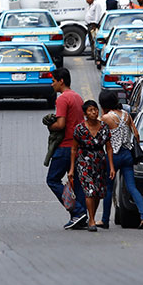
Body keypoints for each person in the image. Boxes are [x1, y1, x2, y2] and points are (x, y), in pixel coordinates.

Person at [99, 90, 143, 228]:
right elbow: (136, 135)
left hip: (113, 156)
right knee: (132, 187)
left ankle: (104, 220)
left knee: (108, 188)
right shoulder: (126, 115)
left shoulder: (106, 118)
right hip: (127, 155)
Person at [47, 68, 88, 229]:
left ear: (61, 81)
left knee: (52, 179)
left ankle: (77, 211)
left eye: (53, 81)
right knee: (77, 182)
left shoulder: (62, 99)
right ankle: (81, 215)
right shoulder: (78, 97)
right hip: (79, 146)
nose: (52, 84)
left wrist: (51, 125)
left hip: (65, 146)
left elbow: (61, 124)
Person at [70, 100, 113, 232]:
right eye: (90, 110)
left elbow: (109, 148)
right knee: (89, 191)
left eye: (95, 109)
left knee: (98, 192)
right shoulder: (80, 129)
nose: (94, 112)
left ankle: (92, 216)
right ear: (85, 114)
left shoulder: (104, 127)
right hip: (84, 162)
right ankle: (92, 220)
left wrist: (111, 166)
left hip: (100, 162)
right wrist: (71, 168)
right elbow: (73, 149)